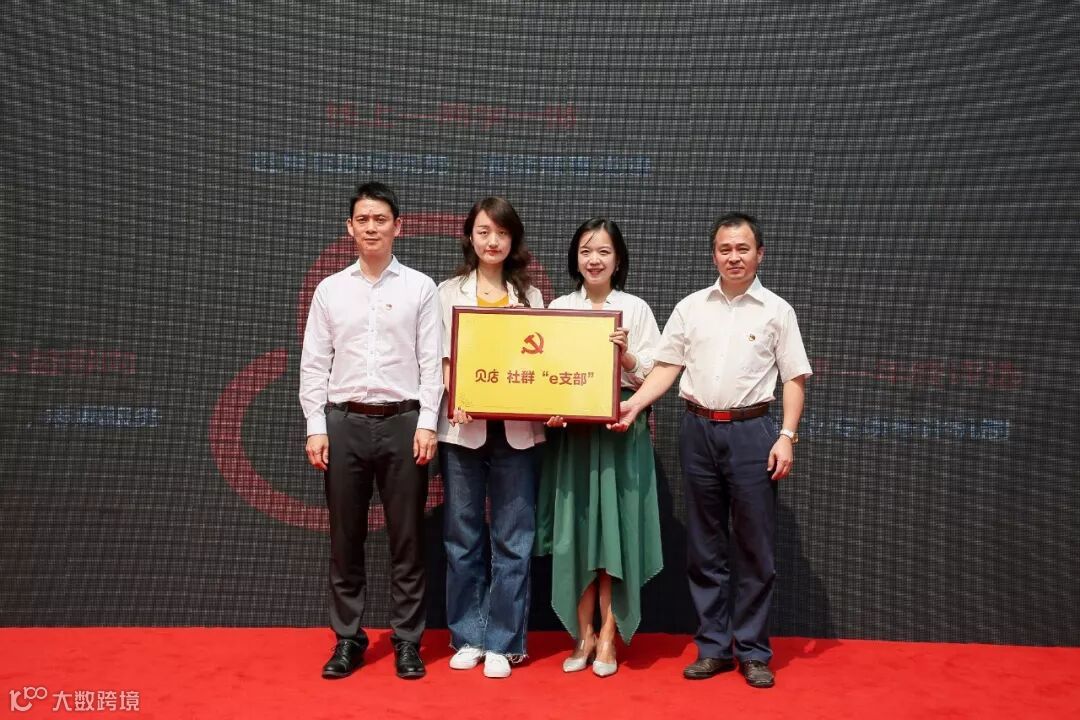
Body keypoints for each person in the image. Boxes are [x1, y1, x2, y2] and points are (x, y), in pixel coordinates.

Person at [612, 212, 811, 689]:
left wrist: (786, 435)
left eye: (742, 248)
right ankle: (714, 647)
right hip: (698, 430)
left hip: (752, 433)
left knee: (755, 547)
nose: (733, 257)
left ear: (759, 254)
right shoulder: (691, 307)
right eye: (725, 249)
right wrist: (635, 404)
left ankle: (754, 651)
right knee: (704, 547)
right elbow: (666, 366)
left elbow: (795, 377)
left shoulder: (776, 311)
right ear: (713, 255)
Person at [299, 181, 442, 680]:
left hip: (404, 422)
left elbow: (432, 363)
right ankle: (348, 639)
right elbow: (314, 364)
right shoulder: (330, 290)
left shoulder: (420, 287)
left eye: (381, 219)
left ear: (398, 226)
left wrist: (428, 422)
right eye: (363, 219)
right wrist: (316, 426)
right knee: (345, 539)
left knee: (408, 540)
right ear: (350, 228)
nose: (372, 228)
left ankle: (407, 642)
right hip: (344, 423)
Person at [534, 218, 664, 678]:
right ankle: (582, 634)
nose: (594, 259)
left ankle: (608, 635)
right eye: (586, 251)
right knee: (577, 532)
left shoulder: (635, 309)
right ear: (575, 257)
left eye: (604, 251)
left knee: (614, 534)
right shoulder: (559, 308)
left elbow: (653, 376)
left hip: (618, 432)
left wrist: (625, 355)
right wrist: (548, 408)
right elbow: (544, 373)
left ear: (618, 259)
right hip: (573, 436)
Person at [437, 197, 545, 679]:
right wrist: (456, 394)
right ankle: (468, 635)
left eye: (501, 232)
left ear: (512, 238)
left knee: (513, 539)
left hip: (517, 432)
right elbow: (441, 358)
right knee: (462, 536)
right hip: (463, 429)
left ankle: (503, 641)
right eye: (484, 231)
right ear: (470, 236)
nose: (492, 241)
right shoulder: (447, 293)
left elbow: (542, 366)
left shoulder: (532, 297)